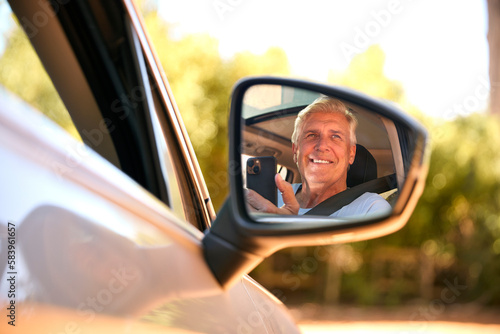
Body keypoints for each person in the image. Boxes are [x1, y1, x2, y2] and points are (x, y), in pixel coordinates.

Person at [246, 96, 392, 217]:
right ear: (296, 150)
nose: (322, 146)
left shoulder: (371, 209)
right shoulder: (270, 197)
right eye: (312, 135)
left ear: (351, 154)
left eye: (335, 136)